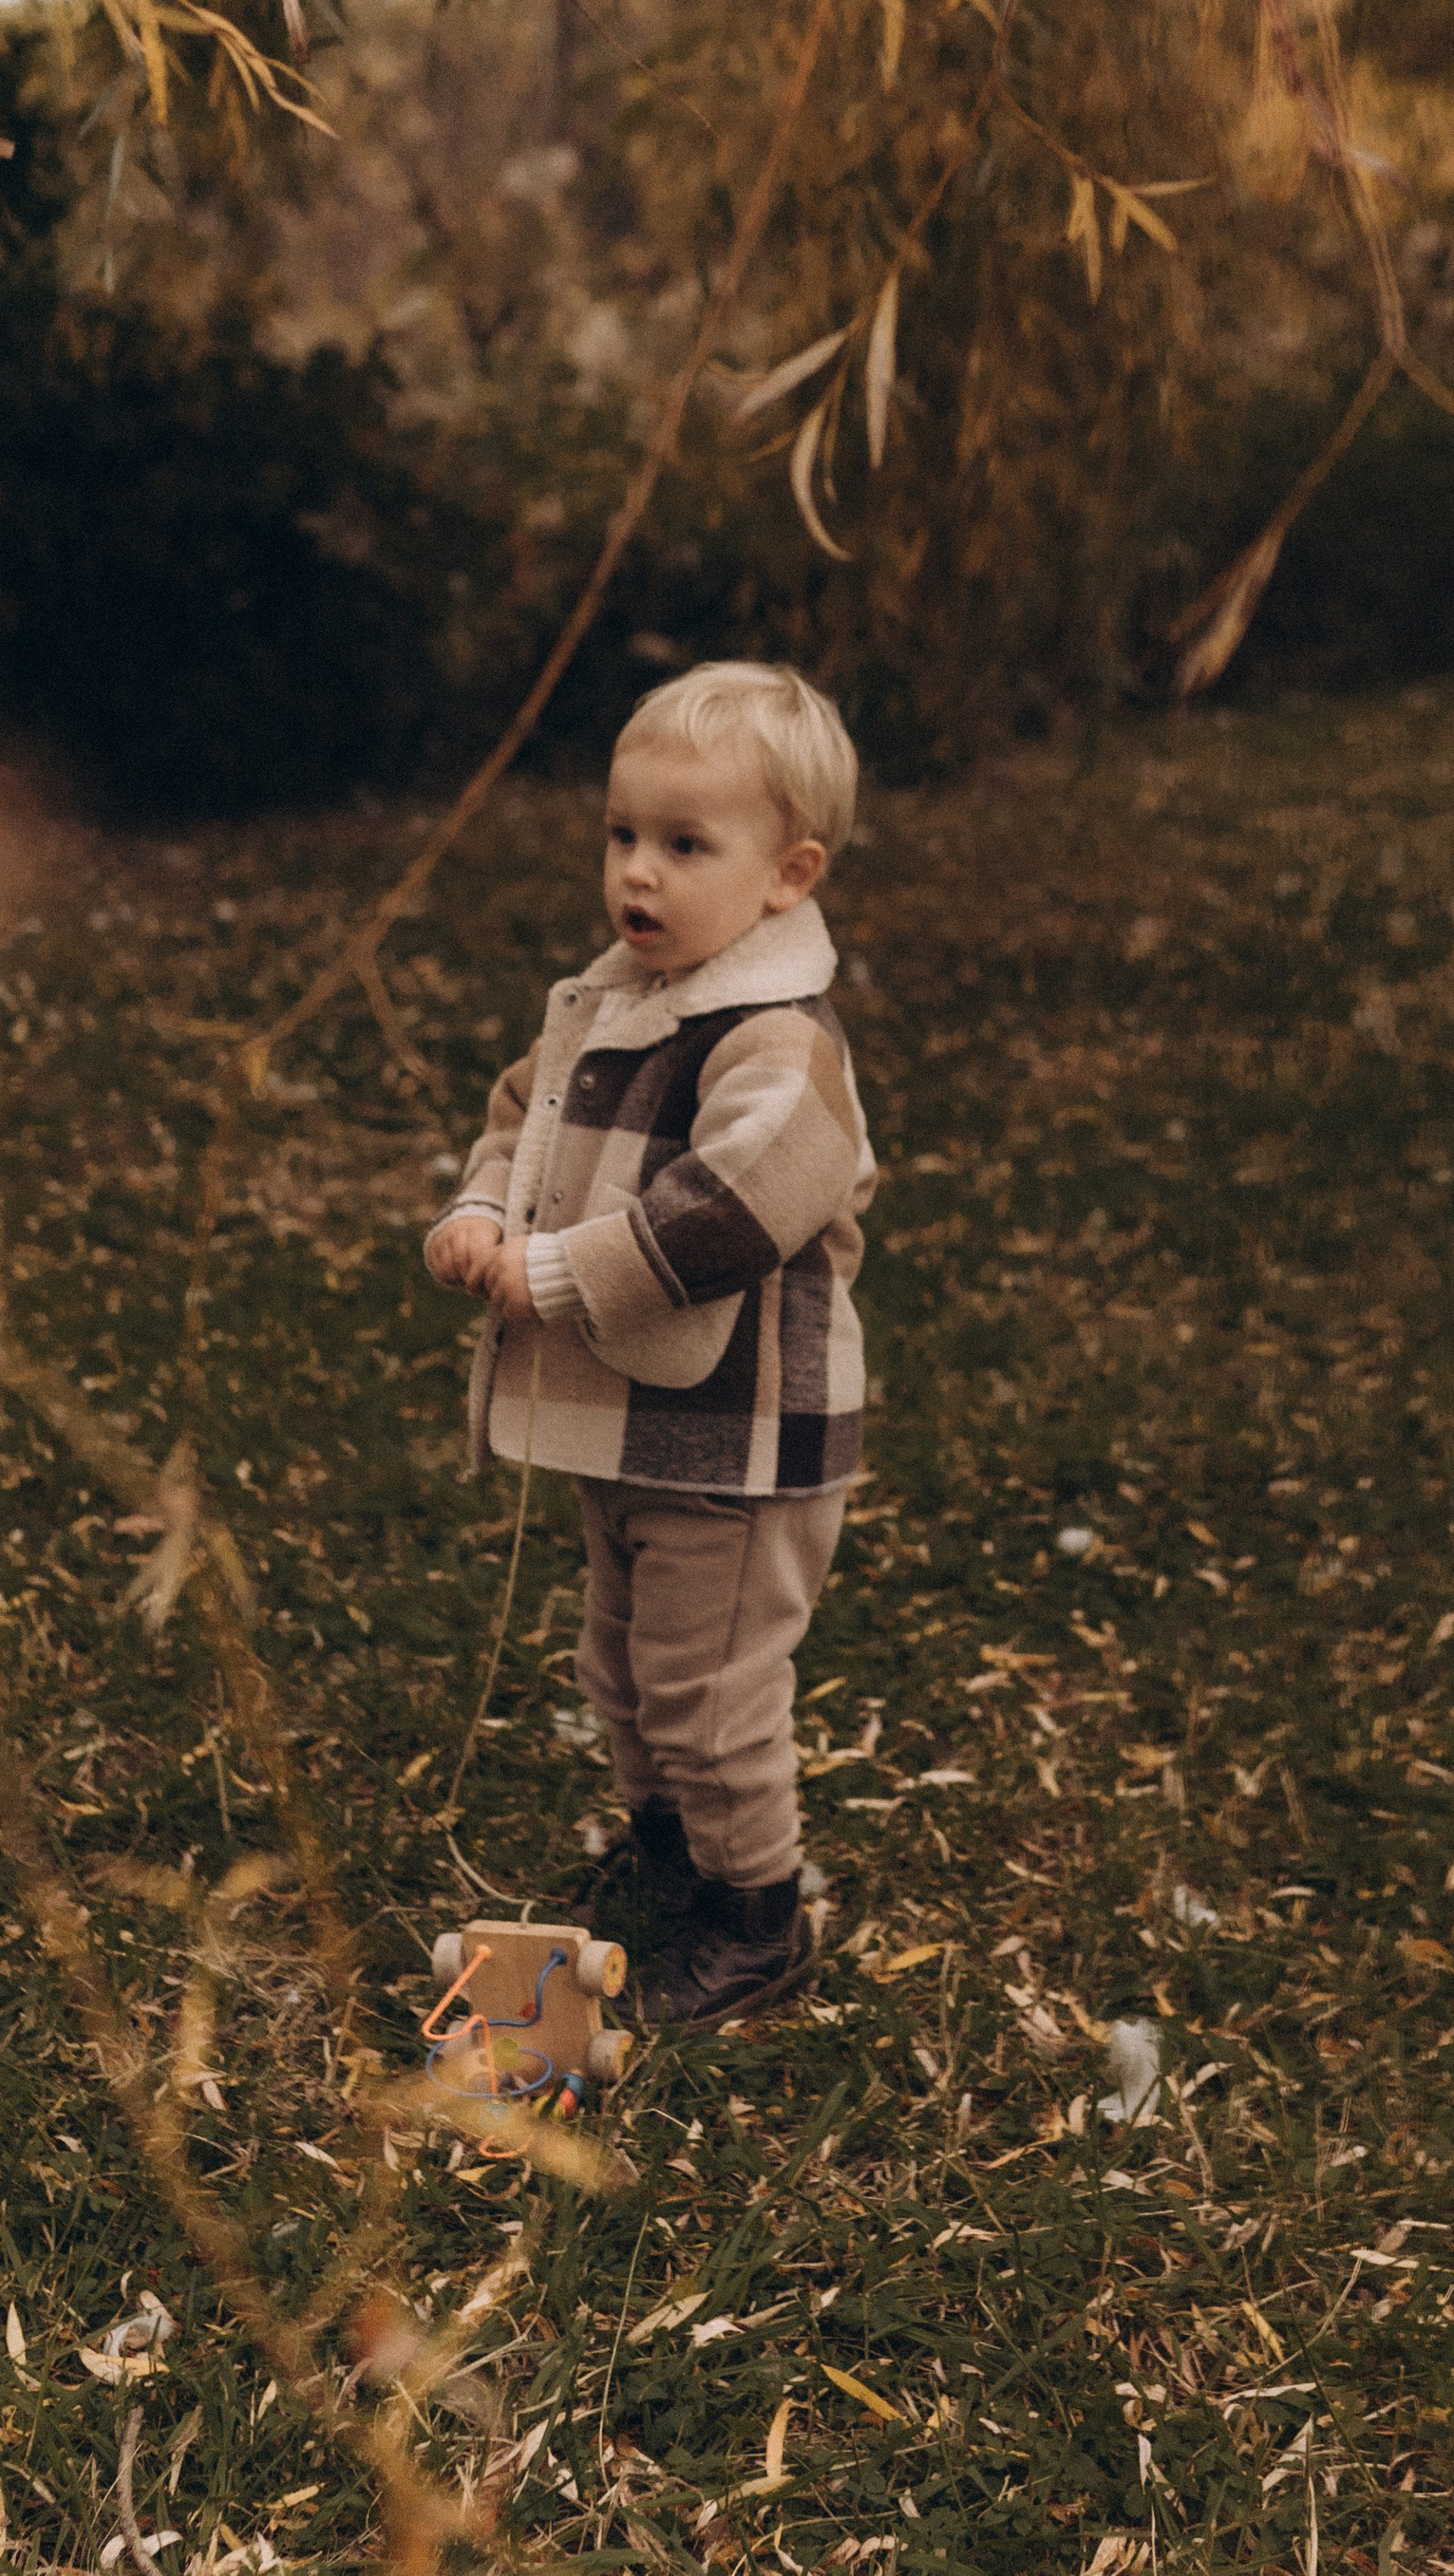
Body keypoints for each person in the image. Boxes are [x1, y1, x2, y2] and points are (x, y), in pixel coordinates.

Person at [425, 662, 876, 2027]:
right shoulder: (620, 993)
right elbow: (528, 1112)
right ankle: (676, 1848)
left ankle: (758, 1912)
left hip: (740, 1443)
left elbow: (736, 1207)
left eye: (687, 847)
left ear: (788, 874)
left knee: (710, 1679)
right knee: (620, 1658)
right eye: (624, 836)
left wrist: (552, 1268)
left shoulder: (778, 1043)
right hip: (634, 1417)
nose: (641, 873)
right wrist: (485, 1201)